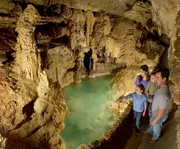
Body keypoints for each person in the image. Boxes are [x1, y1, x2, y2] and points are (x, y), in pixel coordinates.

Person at [145, 68, 171, 143]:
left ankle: (155, 137)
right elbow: (161, 102)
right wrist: (153, 101)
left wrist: (155, 120)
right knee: (151, 121)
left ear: (164, 79)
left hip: (158, 116)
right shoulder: (163, 88)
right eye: (155, 77)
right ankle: (150, 130)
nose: (155, 79)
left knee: (156, 127)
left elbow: (161, 111)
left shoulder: (162, 94)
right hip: (155, 113)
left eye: (157, 77)